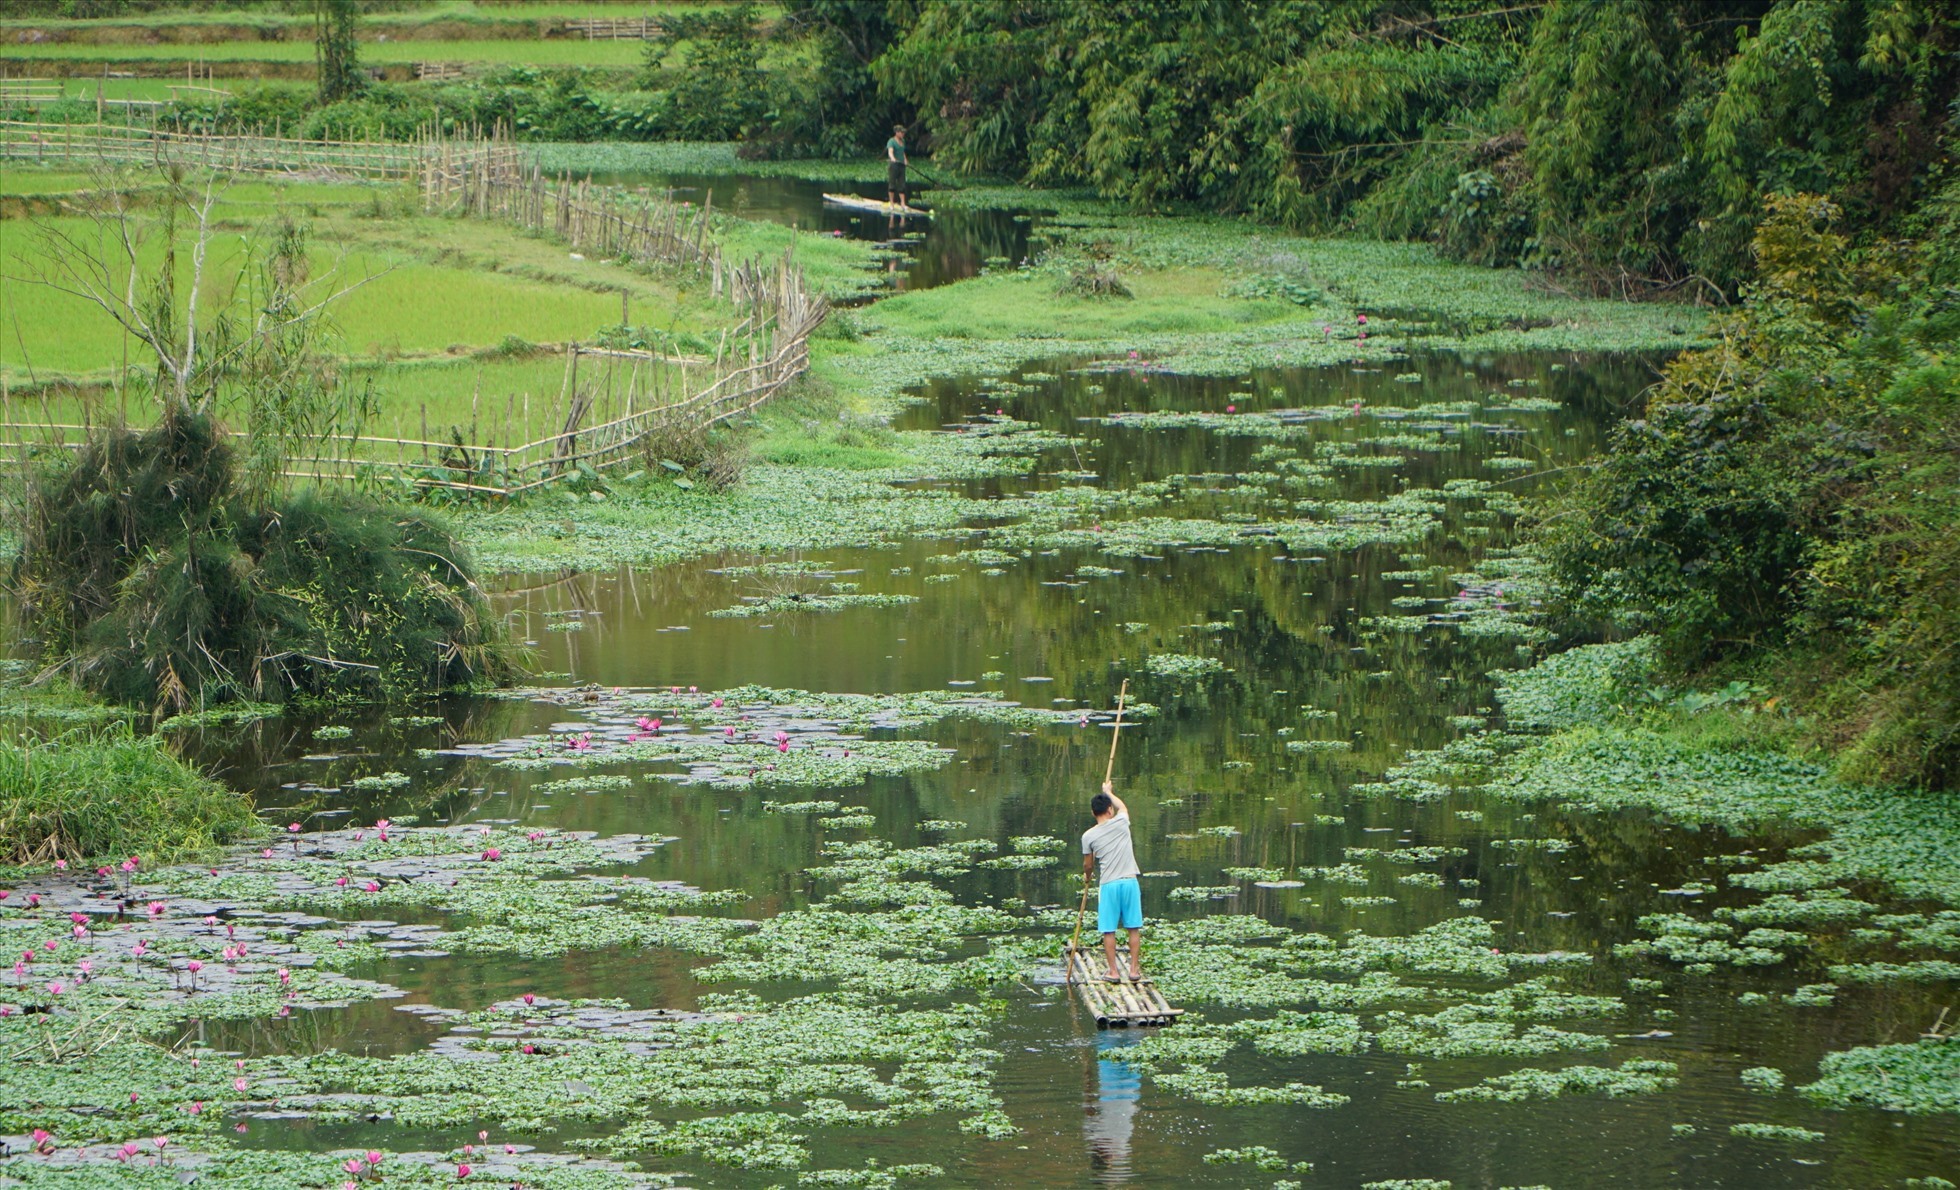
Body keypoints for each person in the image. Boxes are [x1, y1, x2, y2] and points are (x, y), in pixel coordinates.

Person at [1081, 779, 1144, 982]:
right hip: (1129, 881)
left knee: (1109, 929)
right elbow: (1123, 807)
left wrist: (1088, 877)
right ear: (1110, 810)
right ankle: (1134, 970)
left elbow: (1088, 865)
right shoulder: (1122, 822)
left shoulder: (1088, 836)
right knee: (1133, 927)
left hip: (1109, 884)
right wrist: (1109, 791)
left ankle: (1114, 972)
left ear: (1093, 813)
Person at [885, 124, 908, 210]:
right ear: (897, 132)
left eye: (903, 132)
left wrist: (905, 159)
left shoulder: (903, 141)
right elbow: (890, 151)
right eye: (901, 132)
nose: (903, 134)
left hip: (901, 165)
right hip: (894, 165)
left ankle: (903, 203)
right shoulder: (891, 141)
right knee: (892, 184)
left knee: (902, 184)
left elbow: (903, 152)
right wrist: (893, 158)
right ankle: (891, 204)